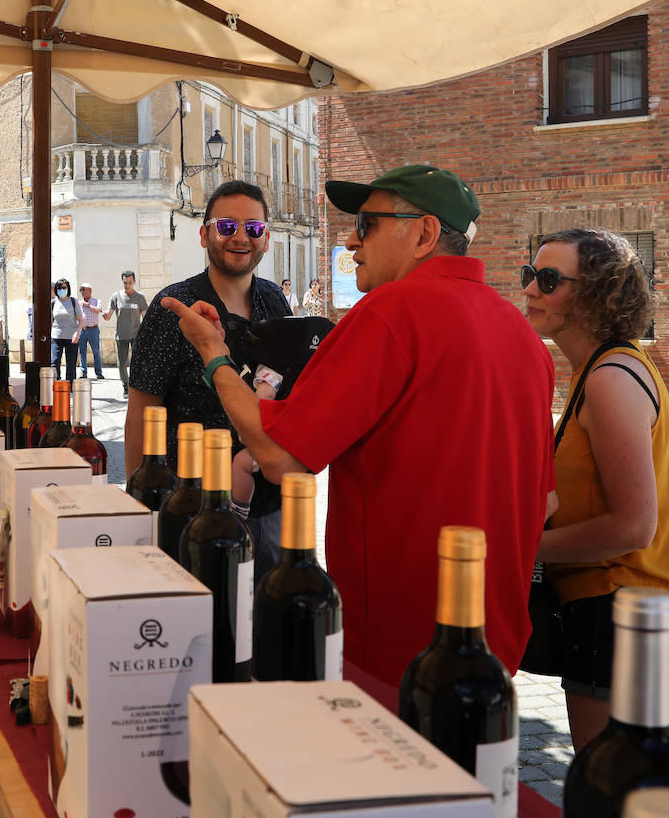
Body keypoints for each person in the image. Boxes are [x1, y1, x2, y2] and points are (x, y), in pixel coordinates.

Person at [162, 165, 556, 687]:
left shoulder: (390, 312)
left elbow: (280, 455)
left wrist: (215, 356)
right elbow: (544, 502)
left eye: (368, 224)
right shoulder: (524, 335)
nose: (351, 240)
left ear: (424, 233)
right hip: (492, 643)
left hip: (399, 641)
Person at [523, 228, 669, 750]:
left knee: (610, 786)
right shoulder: (596, 369)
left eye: (549, 279)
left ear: (596, 294)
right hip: (614, 603)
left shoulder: (610, 377)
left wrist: (521, 549)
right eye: (530, 274)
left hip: (621, 604)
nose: (530, 289)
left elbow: (633, 526)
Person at [126, 179, 291, 578]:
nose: (240, 237)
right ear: (204, 235)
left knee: (264, 627)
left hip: (268, 507)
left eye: (253, 229)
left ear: (266, 240)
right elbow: (141, 416)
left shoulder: (275, 301)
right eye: (226, 226)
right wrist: (137, 512)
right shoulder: (174, 309)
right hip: (192, 512)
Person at [104, 270, 148, 397]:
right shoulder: (116, 296)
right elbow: (109, 315)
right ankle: (126, 387)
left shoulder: (140, 297)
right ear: (122, 282)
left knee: (137, 362)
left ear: (134, 282)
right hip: (121, 336)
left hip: (136, 336)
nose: (127, 285)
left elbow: (145, 317)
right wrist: (106, 315)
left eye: (130, 282)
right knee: (121, 364)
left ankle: (136, 386)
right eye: (125, 283)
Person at [51, 278, 80, 380]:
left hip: (71, 336)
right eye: (59, 288)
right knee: (54, 361)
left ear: (68, 288)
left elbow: (81, 320)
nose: (61, 290)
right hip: (56, 336)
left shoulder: (73, 301)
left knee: (71, 363)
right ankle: (56, 384)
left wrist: (77, 333)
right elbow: (51, 320)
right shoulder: (53, 302)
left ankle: (70, 385)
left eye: (64, 287)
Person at [76, 282, 105, 379]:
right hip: (82, 330)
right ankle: (83, 372)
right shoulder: (78, 302)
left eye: (84, 289)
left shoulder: (97, 301)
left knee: (96, 351)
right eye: (81, 290)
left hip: (93, 329)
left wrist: (87, 305)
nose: (82, 292)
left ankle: (98, 372)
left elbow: (98, 310)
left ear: (90, 291)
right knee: (82, 352)